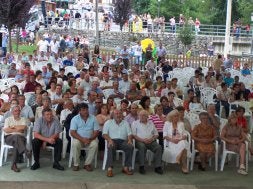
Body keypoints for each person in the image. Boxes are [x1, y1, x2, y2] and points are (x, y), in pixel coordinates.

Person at [102, 109, 134, 177]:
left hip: (123, 141)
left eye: (120, 113)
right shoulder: (108, 122)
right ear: (113, 115)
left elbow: (129, 133)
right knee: (111, 146)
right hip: (113, 140)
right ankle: (109, 169)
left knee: (130, 146)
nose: (118, 115)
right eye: (116, 114)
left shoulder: (126, 123)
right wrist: (109, 140)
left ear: (122, 115)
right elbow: (104, 134)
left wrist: (129, 140)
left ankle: (126, 167)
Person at [132, 110, 163, 175]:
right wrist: (143, 140)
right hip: (139, 141)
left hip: (151, 141)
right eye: (140, 115)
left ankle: (157, 167)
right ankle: (141, 166)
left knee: (159, 147)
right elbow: (134, 135)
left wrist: (152, 139)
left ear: (147, 116)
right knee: (142, 146)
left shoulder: (151, 123)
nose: (141, 117)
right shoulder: (135, 123)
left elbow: (156, 134)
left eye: (143, 115)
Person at [70, 103, 99, 171]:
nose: (85, 111)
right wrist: (82, 139)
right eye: (83, 110)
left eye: (86, 109)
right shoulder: (75, 119)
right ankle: (76, 164)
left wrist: (90, 139)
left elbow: (96, 132)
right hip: (79, 139)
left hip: (90, 139)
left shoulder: (93, 118)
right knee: (75, 144)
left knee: (95, 145)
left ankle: (87, 164)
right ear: (79, 111)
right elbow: (72, 132)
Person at [3, 105, 30, 172]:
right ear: (12, 112)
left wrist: (12, 127)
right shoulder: (8, 119)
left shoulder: (23, 119)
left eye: (18, 110)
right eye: (15, 111)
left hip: (21, 138)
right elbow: (6, 130)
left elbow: (23, 128)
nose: (17, 112)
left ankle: (14, 165)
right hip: (9, 138)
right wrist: (17, 129)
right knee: (16, 137)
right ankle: (25, 151)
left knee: (16, 143)